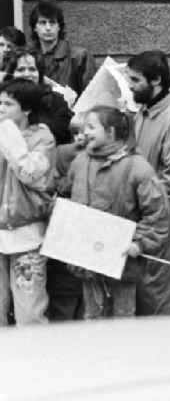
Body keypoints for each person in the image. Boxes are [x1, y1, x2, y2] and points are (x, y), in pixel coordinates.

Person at [65, 106, 170, 319]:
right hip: (86, 260)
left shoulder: (138, 168)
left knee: (122, 320)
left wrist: (139, 243)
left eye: (91, 127)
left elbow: (158, 215)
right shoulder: (79, 162)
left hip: (122, 263)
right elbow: (65, 197)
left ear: (111, 132)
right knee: (92, 316)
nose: (85, 132)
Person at [129, 51, 170, 315]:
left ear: (155, 80)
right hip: (144, 213)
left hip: (166, 214)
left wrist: (145, 199)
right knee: (146, 286)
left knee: (165, 287)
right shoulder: (143, 112)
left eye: (135, 80)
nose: (130, 86)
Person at [0, 79, 56, 326]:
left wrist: (9, 133)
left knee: (29, 312)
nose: (1, 108)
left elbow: (30, 173)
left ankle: (35, 363)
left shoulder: (43, 138)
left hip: (27, 234)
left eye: (8, 103)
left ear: (27, 109)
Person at [46, 115, 87, 321]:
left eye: (85, 131)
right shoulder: (64, 154)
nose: (80, 137)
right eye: (75, 133)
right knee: (65, 292)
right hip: (67, 226)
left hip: (76, 227)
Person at [4, 48, 73, 144]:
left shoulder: (55, 100)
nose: (27, 74)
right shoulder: (3, 98)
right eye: (21, 69)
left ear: (40, 74)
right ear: (12, 74)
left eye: (32, 69)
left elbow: (66, 131)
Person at [28, 0, 96, 94]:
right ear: (35, 28)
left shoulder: (79, 56)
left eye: (52, 23)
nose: (48, 28)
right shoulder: (28, 57)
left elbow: (91, 97)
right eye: (43, 23)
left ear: (59, 27)